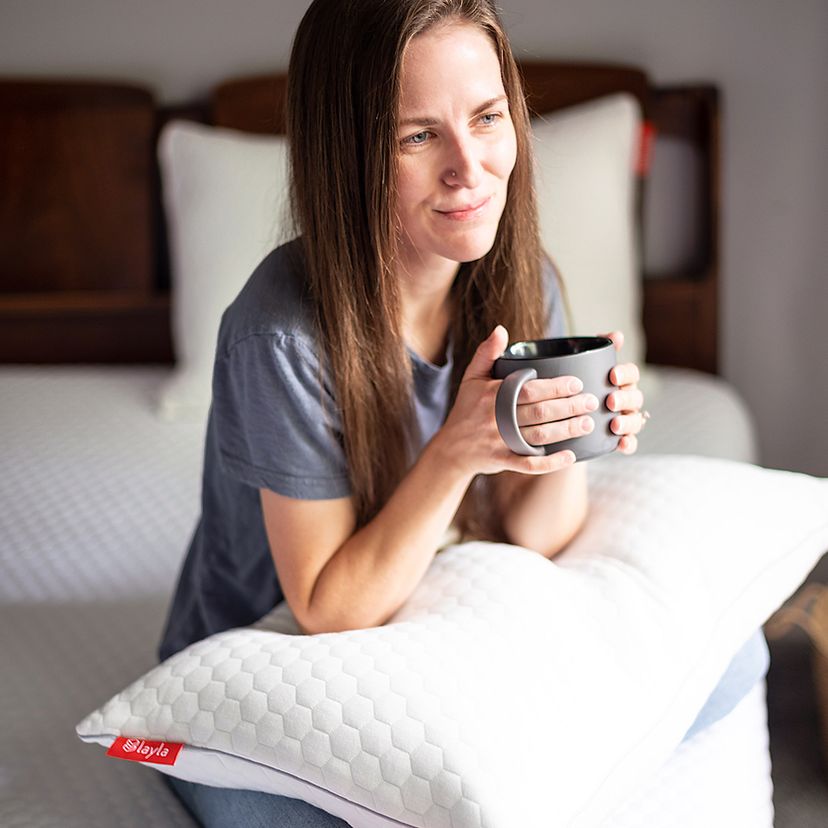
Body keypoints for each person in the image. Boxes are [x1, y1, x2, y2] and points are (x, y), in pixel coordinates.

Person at [158, 1, 764, 825]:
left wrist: (564, 444)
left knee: (733, 656)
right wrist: (455, 452)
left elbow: (536, 535)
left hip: (426, 626)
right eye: (418, 137)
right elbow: (329, 611)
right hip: (274, 659)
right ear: (351, 152)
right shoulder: (280, 334)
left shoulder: (522, 281)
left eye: (487, 117)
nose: (469, 168)